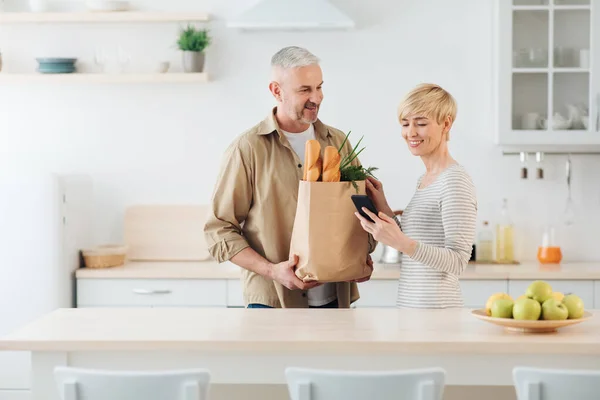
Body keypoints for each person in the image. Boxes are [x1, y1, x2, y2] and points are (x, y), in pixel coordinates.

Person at [204, 46, 376, 309]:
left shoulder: (338, 142)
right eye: (304, 90)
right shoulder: (248, 149)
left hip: (335, 300)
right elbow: (219, 230)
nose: (316, 98)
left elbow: (361, 212)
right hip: (273, 302)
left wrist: (361, 255)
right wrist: (273, 271)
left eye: (319, 87)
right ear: (276, 91)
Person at [355, 83, 477, 308]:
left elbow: (458, 261)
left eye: (421, 123)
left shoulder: (454, 180)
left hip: (438, 313)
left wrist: (401, 243)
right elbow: (417, 242)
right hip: (413, 310)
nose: (411, 132)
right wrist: (381, 202)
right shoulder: (425, 178)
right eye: (405, 123)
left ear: (446, 124)